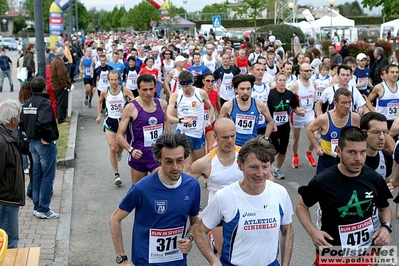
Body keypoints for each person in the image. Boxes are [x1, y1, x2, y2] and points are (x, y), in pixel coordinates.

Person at [296, 126, 393, 266]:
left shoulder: (373, 178)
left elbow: (384, 208)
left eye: (362, 152)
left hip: (366, 253)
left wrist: (386, 227)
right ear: (339, 151)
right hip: (332, 253)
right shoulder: (323, 180)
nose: (358, 158)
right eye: (352, 152)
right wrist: (313, 232)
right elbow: (301, 206)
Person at [193, 136, 293, 266]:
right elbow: (199, 231)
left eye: (265, 166)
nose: (260, 173)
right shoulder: (224, 196)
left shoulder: (280, 193)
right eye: (253, 167)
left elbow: (287, 231)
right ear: (240, 165)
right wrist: (213, 260)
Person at [110, 133, 200, 266]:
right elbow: (115, 219)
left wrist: (189, 237)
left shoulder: (192, 186)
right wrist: (121, 259)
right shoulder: (141, 188)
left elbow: (195, 222)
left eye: (179, 160)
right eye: (168, 161)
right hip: (146, 262)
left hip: (178, 262)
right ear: (159, 159)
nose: (175, 167)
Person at [189, 118, 243, 254]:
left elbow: (267, 179)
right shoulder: (204, 163)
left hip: (243, 209)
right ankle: (213, 237)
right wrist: (195, 211)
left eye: (233, 136)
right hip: (218, 212)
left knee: (241, 252)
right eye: (225, 137)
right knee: (224, 253)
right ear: (215, 137)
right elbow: (185, 187)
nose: (230, 141)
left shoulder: (245, 156)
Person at [116, 74, 170, 184]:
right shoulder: (131, 108)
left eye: (151, 89)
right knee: (138, 192)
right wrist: (131, 150)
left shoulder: (162, 104)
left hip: (157, 156)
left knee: (159, 187)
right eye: (144, 90)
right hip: (139, 156)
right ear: (138, 90)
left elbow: (166, 124)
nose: (148, 93)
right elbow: (119, 136)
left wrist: (168, 146)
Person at [20, 77, 60, 219]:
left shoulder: (26, 103)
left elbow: (22, 123)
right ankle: (43, 208)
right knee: (47, 176)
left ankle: (37, 206)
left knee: (36, 175)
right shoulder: (44, 103)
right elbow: (43, 122)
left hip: (32, 143)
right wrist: (47, 137)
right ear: (45, 87)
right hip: (44, 144)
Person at [167, 71, 214, 172]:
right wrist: (181, 121)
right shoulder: (176, 95)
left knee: (198, 165)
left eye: (187, 86)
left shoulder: (200, 93)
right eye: (183, 86)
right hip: (183, 133)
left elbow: (211, 108)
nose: (185, 89)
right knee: (186, 165)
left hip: (197, 133)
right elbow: (168, 116)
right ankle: (184, 186)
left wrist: (209, 120)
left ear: (192, 82)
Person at [307, 88, 361, 174]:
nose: (347, 106)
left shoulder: (355, 118)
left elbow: (358, 138)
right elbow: (309, 129)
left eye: (349, 102)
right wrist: (317, 147)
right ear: (335, 103)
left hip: (347, 160)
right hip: (328, 159)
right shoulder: (324, 118)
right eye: (343, 103)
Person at [95, 70, 134, 186]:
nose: (113, 82)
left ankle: (119, 152)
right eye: (111, 80)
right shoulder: (105, 91)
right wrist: (98, 115)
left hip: (123, 122)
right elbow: (99, 101)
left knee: (120, 147)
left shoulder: (125, 90)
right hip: (110, 122)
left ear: (119, 79)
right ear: (108, 80)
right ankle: (116, 175)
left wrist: (127, 108)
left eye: (115, 79)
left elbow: (135, 102)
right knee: (112, 148)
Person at [219, 74, 274, 147]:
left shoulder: (259, 105)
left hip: (251, 146)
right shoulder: (228, 105)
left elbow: (270, 121)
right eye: (242, 89)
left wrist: (266, 138)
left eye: (248, 89)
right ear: (236, 90)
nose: (245, 92)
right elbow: (218, 124)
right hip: (233, 146)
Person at [267, 72, 302, 179]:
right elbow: (266, 109)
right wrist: (270, 122)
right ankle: (267, 165)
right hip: (273, 125)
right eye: (280, 80)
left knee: (283, 149)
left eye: (284, 80)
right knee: (275, 148)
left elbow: (294, 107)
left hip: (285, 125)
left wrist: (299, 111)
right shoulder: (271, 93)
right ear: (276, 81)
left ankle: (277, 169)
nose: (282, 83)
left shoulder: (290, 94)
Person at [0, 99, 25, 248]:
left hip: (7, 198)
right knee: (9, 242)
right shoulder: (3, 142)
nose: (20, 118)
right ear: (13, 119)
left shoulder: (6, 137)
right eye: (18, 115)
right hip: (6, 199)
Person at [290, 63, 317, 169]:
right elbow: (289, 100)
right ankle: (295, 155)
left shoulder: (313, 83)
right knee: (296, 139)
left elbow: (314, 98)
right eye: (306, 71)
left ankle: (309, 153)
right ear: (300, 72)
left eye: (310, 70)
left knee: (314, 136)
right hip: (297, 116)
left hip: (309, 113)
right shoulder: (295, 85)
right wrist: (296, 109)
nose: (308, 73)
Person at [367, 64, 399, 129]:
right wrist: (374, 112)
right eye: (392, 72)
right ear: (387, 74)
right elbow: (368, 100)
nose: (395, 74)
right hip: (383, 121)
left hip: (396, 122)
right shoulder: (379, 87)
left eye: (397, 72)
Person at [50, 47, 72, 125]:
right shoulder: (59, 63)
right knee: (62, 103)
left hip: (56, 85)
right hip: (60, 86)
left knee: (60, 103)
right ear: (63, 54)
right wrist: (65, 85)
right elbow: (61, 75)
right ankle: (61, 120)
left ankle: (61, 119)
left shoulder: (54, 61)